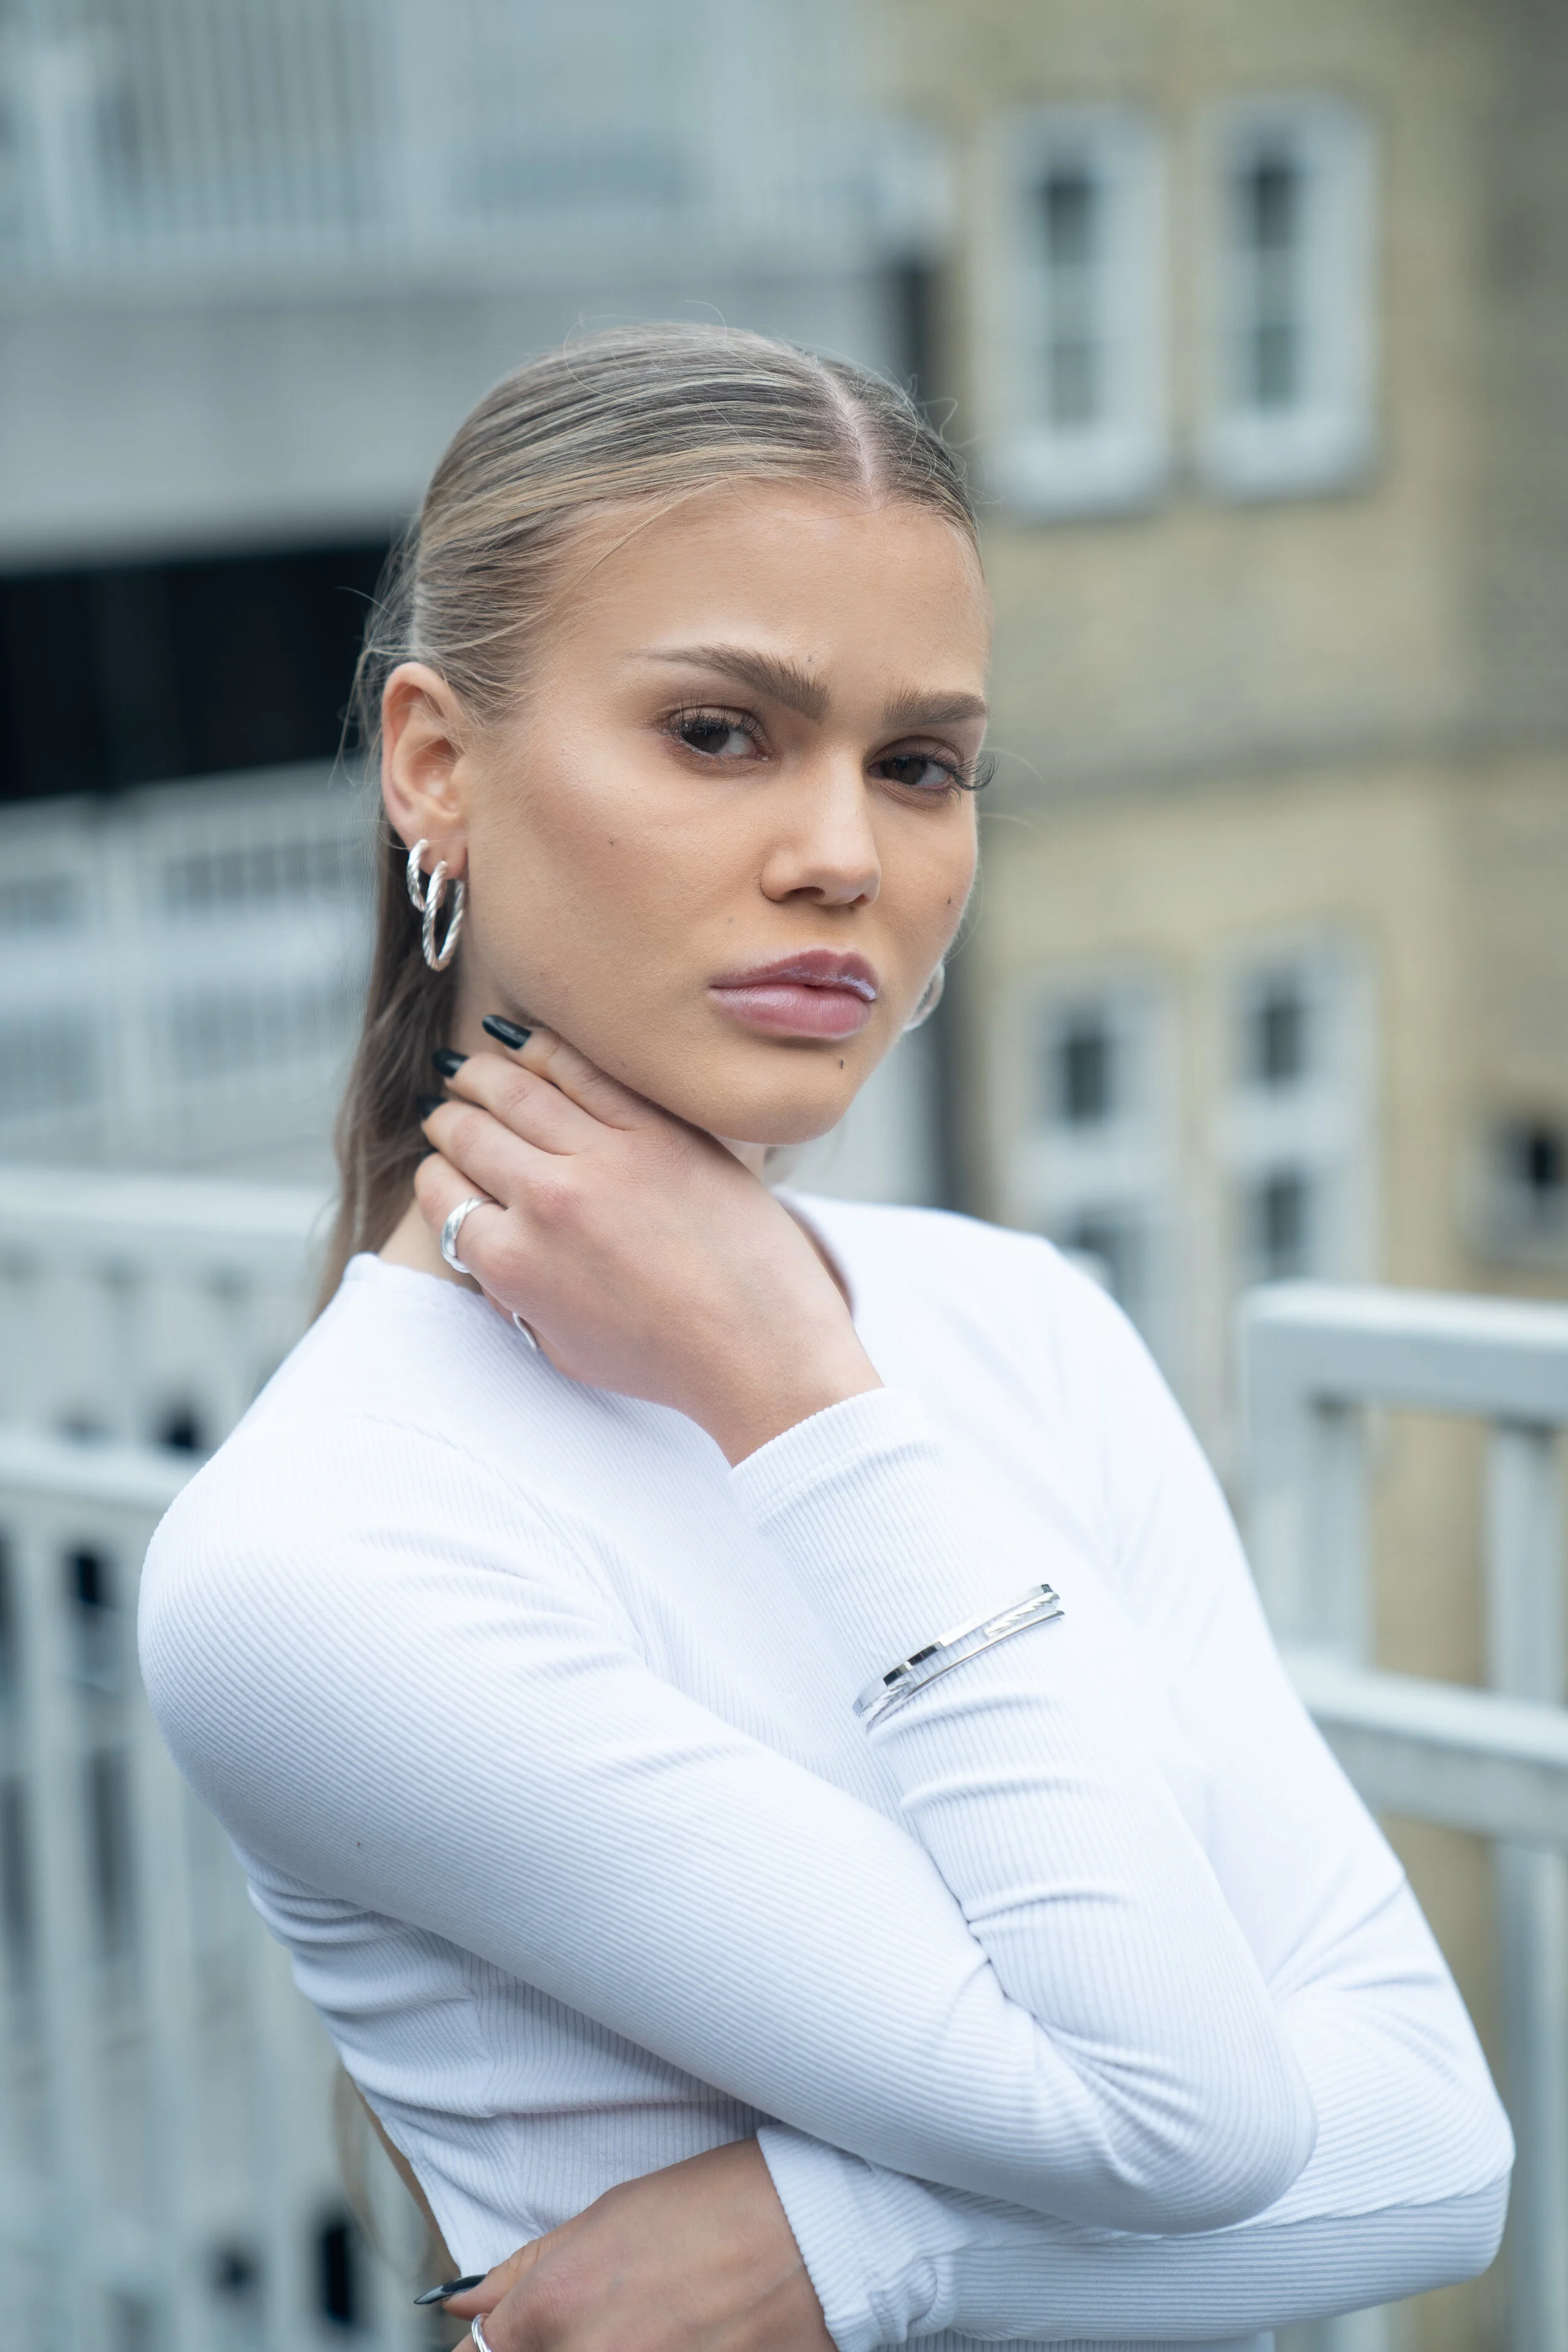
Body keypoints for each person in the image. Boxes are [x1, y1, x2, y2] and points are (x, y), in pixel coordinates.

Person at [139, 326, 1510, 2352]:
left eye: (918, 762)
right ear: (436, 763)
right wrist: (791, 1391)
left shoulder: (1008, 1318)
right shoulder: (312, 1557)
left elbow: (1435, 2148)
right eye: (717, 732)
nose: (844, 857)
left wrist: (840, 2245)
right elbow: (1194, 2121)